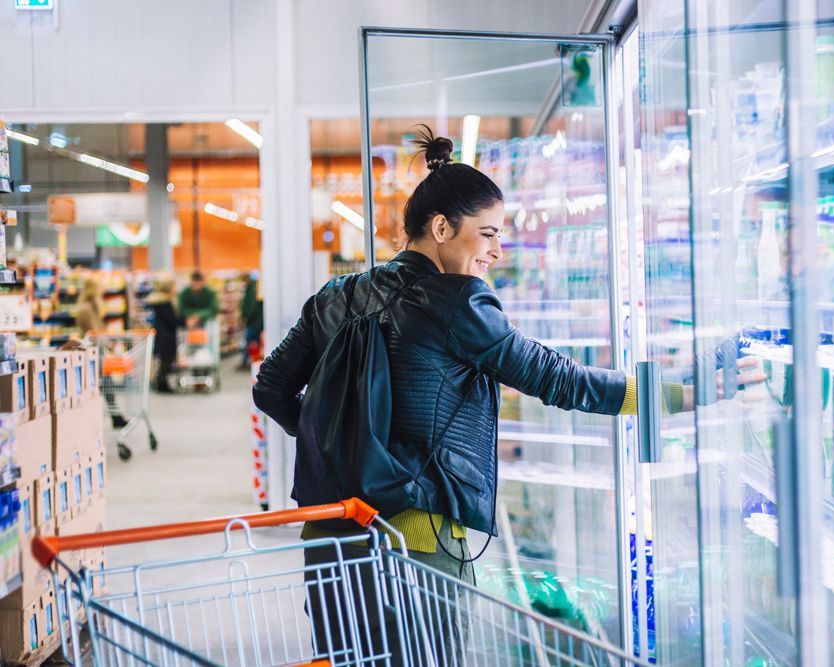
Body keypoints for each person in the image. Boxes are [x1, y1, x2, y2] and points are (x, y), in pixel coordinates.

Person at [253, 127, 764, 663]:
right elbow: (559, 379)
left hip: (329, 531)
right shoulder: (457, 304)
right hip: (417, 538)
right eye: (489, 233)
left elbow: (271, 389)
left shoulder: (335, 296)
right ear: (442, 227)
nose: (499, 250)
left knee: (344, 658)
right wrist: (682, 395)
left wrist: (342, 445)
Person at [147, 278, 179, 393]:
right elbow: (171, 320)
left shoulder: (157, 303)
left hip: (160, 334)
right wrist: (183, 320)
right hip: (166, 336)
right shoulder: (165, 303)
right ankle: (162, 383)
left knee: (163, 361)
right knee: (166, 361)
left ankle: (161, 382)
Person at [239, 273, 263, 368]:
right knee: (253, 342)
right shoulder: (252, 289)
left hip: (253, 322)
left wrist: (246, 317)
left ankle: (250, 361)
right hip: (255, 321)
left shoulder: (252, 290)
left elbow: (252, 307)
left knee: (250, 340)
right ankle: (253, 360)